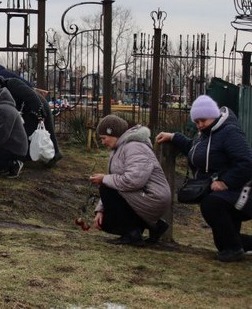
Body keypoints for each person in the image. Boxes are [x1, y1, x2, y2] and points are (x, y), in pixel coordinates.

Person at [156, 95, 252, 262]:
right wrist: (174, 137)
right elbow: (195, 149)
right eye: (197, 122)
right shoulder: (205, 135)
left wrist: (225, 182)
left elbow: (246, 162)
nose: (200, 125)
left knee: (211, 204)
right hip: (225, 192)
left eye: (203, 120)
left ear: (213, 116)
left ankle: (233, 249)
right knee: (223, 240)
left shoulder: (229, 132)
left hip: (242, 191)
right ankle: (233, 246)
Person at [90, 115, 171, 247]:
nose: (103, 142)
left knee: (106, 187)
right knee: (105, 219)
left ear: (113, 133)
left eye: (104, 138)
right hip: (143, 195)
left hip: (152, 196)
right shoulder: (121, 148)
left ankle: (132, 234)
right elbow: (116, 181)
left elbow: (134, 181)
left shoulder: (134, 147)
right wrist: (100, 210)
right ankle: (153, 226)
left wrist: (104, 179)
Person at [0, 81, 28, 178]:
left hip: (13, 150)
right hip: (12, 147)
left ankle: (12, 164)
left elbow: (1, 135)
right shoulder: (1, 107)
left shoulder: (3, 109)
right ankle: (4, 166)